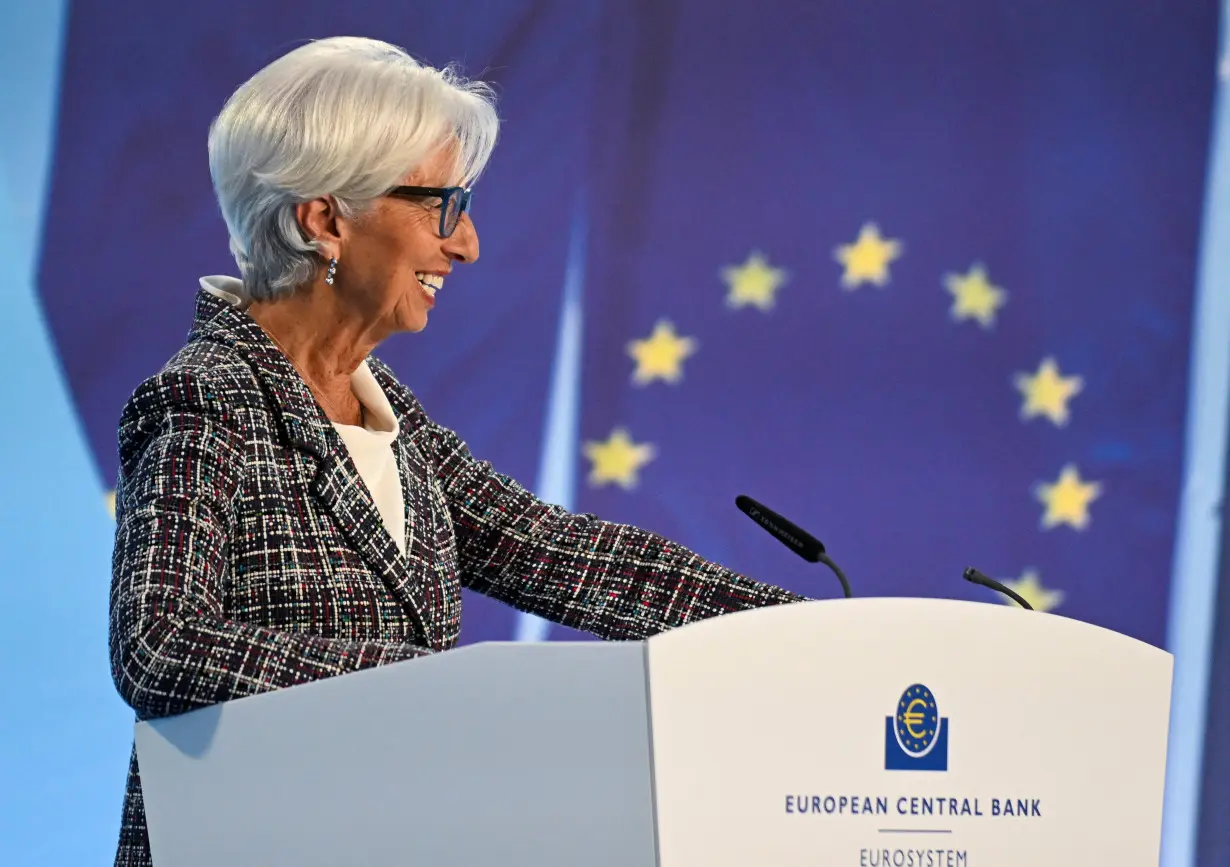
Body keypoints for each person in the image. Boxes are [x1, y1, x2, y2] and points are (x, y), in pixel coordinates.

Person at [108, 36, 806, 867]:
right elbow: (160, 641)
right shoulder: (206, 398)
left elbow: (565, 555)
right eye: (441, 207)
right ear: (325, 218)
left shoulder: (388, 413)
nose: (467, 243)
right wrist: (422, 688)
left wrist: (810, 633)